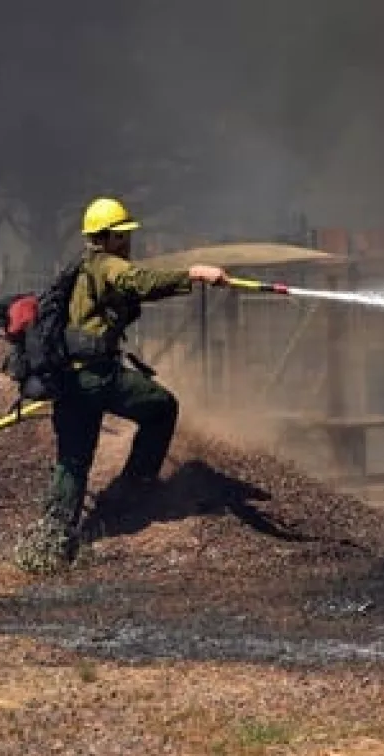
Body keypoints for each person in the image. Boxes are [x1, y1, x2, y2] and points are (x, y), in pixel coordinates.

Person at [24, 197, 228, 569]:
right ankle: (136, 487)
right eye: (123, 235)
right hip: (97, 377)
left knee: (72, 460)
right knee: (162, 407)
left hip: (69, 379)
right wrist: (194, 274)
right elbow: (139, 282)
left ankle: (52, 542)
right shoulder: (106, 265)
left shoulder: (82, 266)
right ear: (110, 237)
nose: (128, 241)